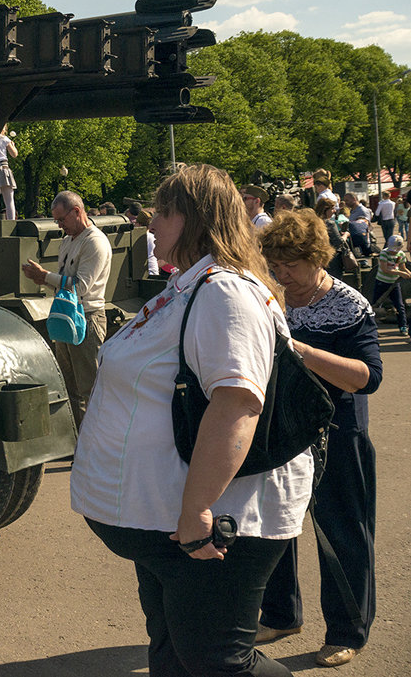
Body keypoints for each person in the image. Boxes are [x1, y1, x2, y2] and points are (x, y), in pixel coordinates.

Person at [71, 163, 311, 677]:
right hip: (165, 521)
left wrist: (198, 511)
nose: (151, 224)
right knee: (172, 649)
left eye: (163, 212)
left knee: (218, 661)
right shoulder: (187, 285)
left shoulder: (225, 292)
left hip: (213, 524)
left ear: (197, 218)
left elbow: (238, 403)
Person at [253, 210, 383, 668]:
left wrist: (303, 352)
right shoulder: (271, 296)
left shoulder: (349, 305)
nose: (281, 274)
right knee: (275, 527)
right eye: (275, 265)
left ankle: (348, 631)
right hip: (282, 435)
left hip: (337, 437)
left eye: (290, 265)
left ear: (317, 257)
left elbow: (368, 378)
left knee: (343, 534)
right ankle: (281, 614)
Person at [21, 191, 111, 428]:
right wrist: (44, 280)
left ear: (77, 211)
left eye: (62, 220)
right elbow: (64, 282)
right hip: (67, 318)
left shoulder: (95, 242)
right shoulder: (68, 240)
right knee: (69, 388)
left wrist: (46, 276)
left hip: (87, 319)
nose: (60, 226)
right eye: (57, 221)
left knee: (90, 390)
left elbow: (80, 287)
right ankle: (80, 445)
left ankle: (96, 445)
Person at [369, 233, 411, 336]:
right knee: (374, 305)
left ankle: (403, 326)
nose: (393, 252)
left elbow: (402, 267)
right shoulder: (384, 253)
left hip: (393, 284)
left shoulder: (400, 255)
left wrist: (408, 274)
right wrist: (400, 273)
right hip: (381, 283)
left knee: (400, 306)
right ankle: (371, 328)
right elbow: (385, 269)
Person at [315, 198, 352, 279]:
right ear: (325, 209)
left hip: (318, 258)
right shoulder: (330, 223)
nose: (334, 211)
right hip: (333, 259)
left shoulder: (315, 222)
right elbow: (339, 242)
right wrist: (346, 235)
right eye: (332, 208)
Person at [136, 208, 160, 276]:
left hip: (147, 273)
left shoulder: (141, 238)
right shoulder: (152, 237)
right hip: (154, 271)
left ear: (139, 224)